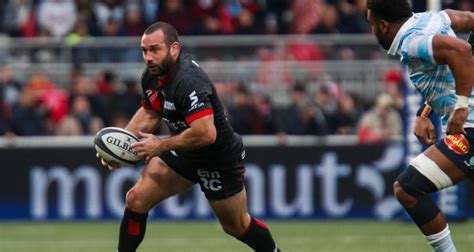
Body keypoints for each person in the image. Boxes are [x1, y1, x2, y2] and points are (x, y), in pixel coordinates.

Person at [96, 22, 281, 252]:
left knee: (236, 226)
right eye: (145, 50)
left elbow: (206, 133)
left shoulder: (188, 80)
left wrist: (160, 145)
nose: (148, 57)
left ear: (174, 48)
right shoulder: (151, 77)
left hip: (217, 157)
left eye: (155, 49)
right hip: (184, 152)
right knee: (136, 198)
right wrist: (123, 143)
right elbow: (151, 111)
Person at [366, 1, 474, 251]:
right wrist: (425, 112)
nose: (372, 31)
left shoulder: (411, 43)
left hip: (469, 129)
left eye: (371, 25)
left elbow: (460, 51)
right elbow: (469, 20)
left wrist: (461, 106)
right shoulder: (435, 19)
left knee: (407, 188)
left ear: (383, 26)